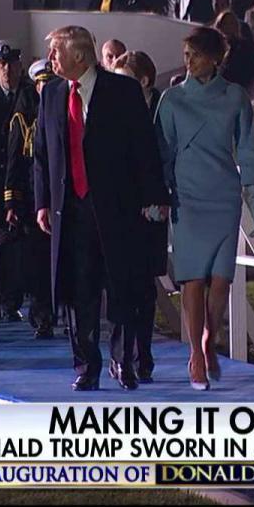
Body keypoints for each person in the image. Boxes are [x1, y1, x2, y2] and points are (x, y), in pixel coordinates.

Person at [32, 26, 169, 391]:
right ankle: (86, 365)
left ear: (78, 55)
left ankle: (123, 363)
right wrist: (42, 202)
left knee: (121, 289)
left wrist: (153, 199)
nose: (51, 60)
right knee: (79, 293)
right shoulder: (51, 95)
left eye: (56, 52)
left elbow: (144, 148)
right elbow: (42, 157)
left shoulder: (121, 91)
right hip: (70, 212)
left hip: (117, 211)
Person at [155, 27, 254, 391]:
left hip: (223, 196)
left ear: (215, 58)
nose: (188, 61)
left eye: (195, 55)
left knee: (220, 279)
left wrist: (253, 191)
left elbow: (247, 145)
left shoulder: (235, 98)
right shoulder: (171, 99)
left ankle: (209, 337)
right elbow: (162, 151)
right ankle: (196, 356)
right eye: (185, 54)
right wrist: (159, 196)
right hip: (187, 195)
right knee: (192, 278)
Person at [110, 49, 166, 383]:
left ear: (143, 81)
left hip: (151, 213)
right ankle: (124, 357)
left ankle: (142, 355)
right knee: (121, 286)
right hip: (120, 212)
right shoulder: (112, 113)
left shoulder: (162, 111)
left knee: (145, 288)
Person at [3, 59, 57, 339]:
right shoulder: (23, 118)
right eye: (42, 83)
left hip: (61, 201)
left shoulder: (62, 112)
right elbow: (14, 161)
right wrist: (12, 201)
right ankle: (42, 317)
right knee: (38, 264)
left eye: (51, 82)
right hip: (33, 202)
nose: (46, 88)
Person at [0, 40, 33, 323]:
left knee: (20, 245)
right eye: (1, 64)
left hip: (23, 185)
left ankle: (13, 302)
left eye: (11, 64)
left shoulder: (29, 95)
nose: (7, 69)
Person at [215, 10, 254, 96]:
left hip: (243, 90)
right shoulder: (215, 48)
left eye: (231, 23)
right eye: (225, 23)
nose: (228, 27)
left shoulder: (246, 45)